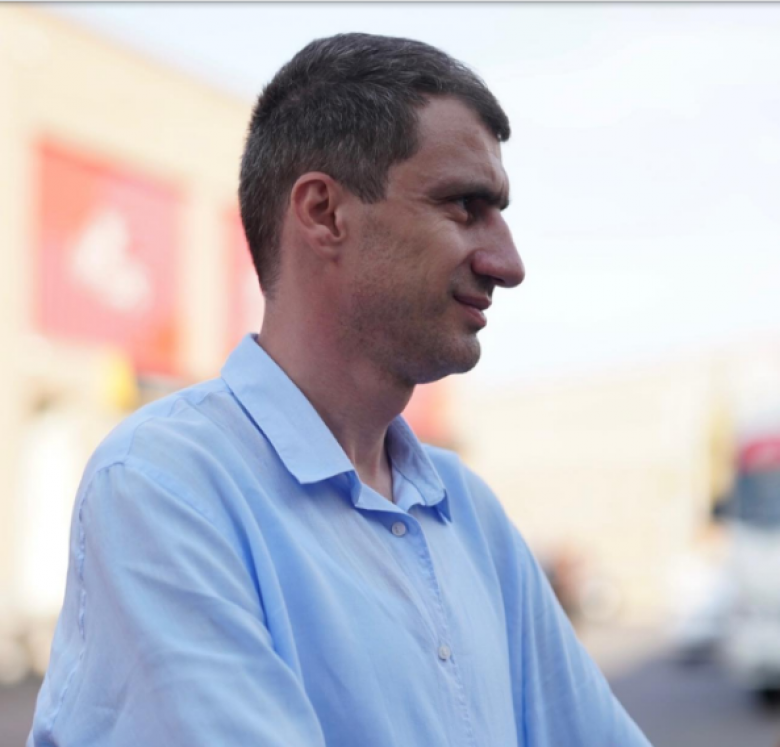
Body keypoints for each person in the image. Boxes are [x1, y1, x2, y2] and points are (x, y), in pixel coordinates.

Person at [28, 33, 651, 747]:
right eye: (464, 206)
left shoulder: (467, 513)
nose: (507, 263)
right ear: (324, 212)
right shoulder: (167, 486)